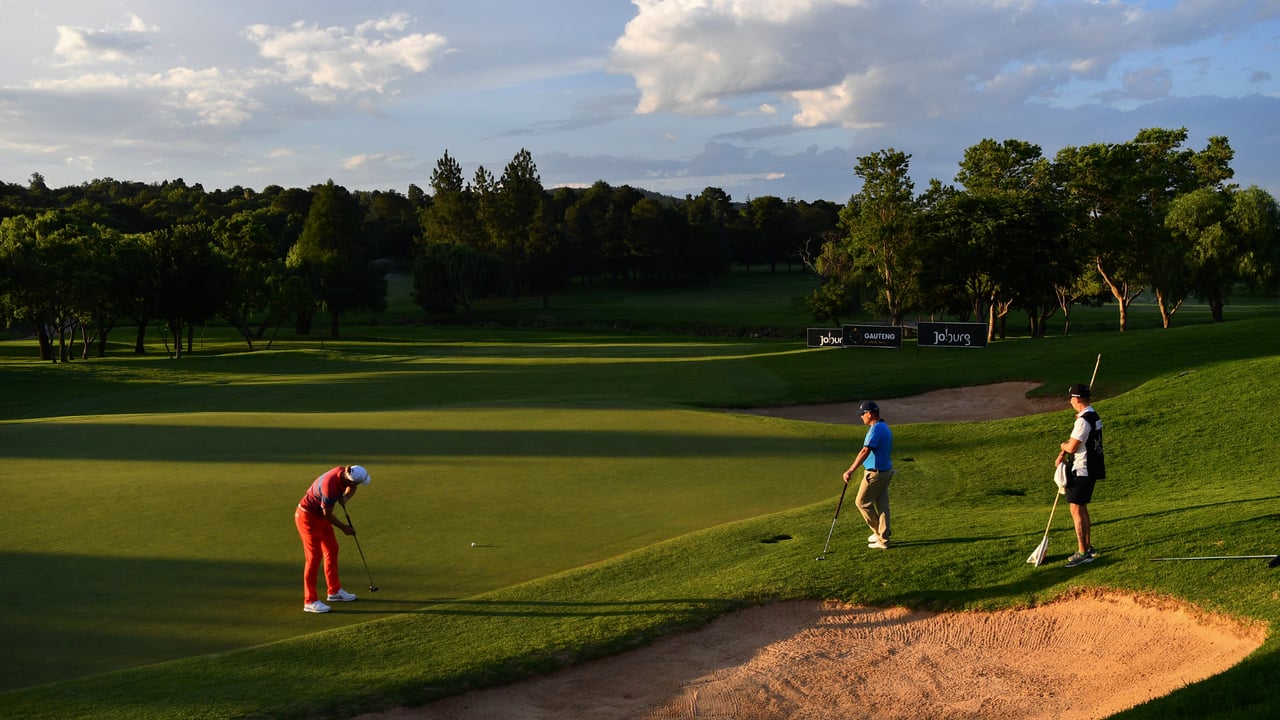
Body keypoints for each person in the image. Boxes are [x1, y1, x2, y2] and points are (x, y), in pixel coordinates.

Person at [294, 464, 371, 613]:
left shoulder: (346, 472)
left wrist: (346, 498)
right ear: (351, 480)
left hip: (318, 515)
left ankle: (334, 591)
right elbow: (327, 515)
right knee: (314, 557)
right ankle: (310, 601)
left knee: (332, 549)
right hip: (307, 517)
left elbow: (352, 487)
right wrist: (345, 528)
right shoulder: (330, 489)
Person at [1056, 384, 1105, 568]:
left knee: (1076, 510)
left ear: (1076, 399)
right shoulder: (1094, 416)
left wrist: (1062, 446)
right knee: (1082, 509)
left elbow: (1072, 447)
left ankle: (1083, 552)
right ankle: (1088, 548)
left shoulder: (1083, 421)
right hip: (1091, 468)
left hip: (1081, 469)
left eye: (1070, 398)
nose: (1070, 402)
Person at [843, 401, 895, 550]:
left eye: (862, 414)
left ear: (869, 413)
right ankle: (883, 536)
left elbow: (865, 451)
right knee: (882, 505)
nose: (861, 417)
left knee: (861, 502)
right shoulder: (883, 427)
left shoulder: (876, 429)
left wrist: (850, 470)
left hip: (876, 473)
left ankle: (880, 535)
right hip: (886, 471)